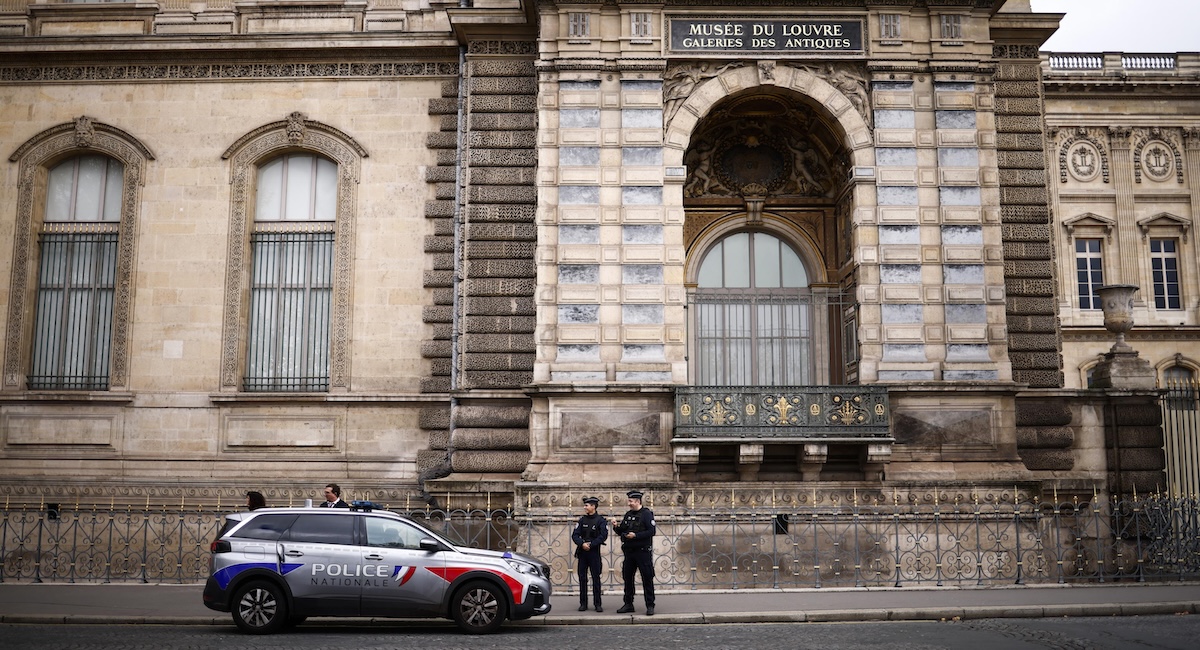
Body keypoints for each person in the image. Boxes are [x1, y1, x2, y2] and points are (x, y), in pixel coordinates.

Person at [611, 489, 655, 616]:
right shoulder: (628, 514)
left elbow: (651, 531)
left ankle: (650, 605)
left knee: (647, 578)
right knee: (627, 578)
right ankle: (628, 603)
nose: (629, 503)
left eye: (630, 501)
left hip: (642, 552)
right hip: (629, 553)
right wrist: (615, 526)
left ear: (637, 501)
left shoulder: (646, 514)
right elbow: (622, 530)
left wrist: (635, 535)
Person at [571, 496, 608, 612]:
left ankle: (598, 603)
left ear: (593, 506)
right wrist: (582, 543)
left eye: (587, 505)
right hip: (583, 552)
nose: (584, 507)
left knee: (596, 578)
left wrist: (591, 544)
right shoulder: (582, 520)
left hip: (594, 552)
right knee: (582, 578)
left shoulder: (601, 520)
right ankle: (583, 603)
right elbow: (575, 535)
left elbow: (603, 536)